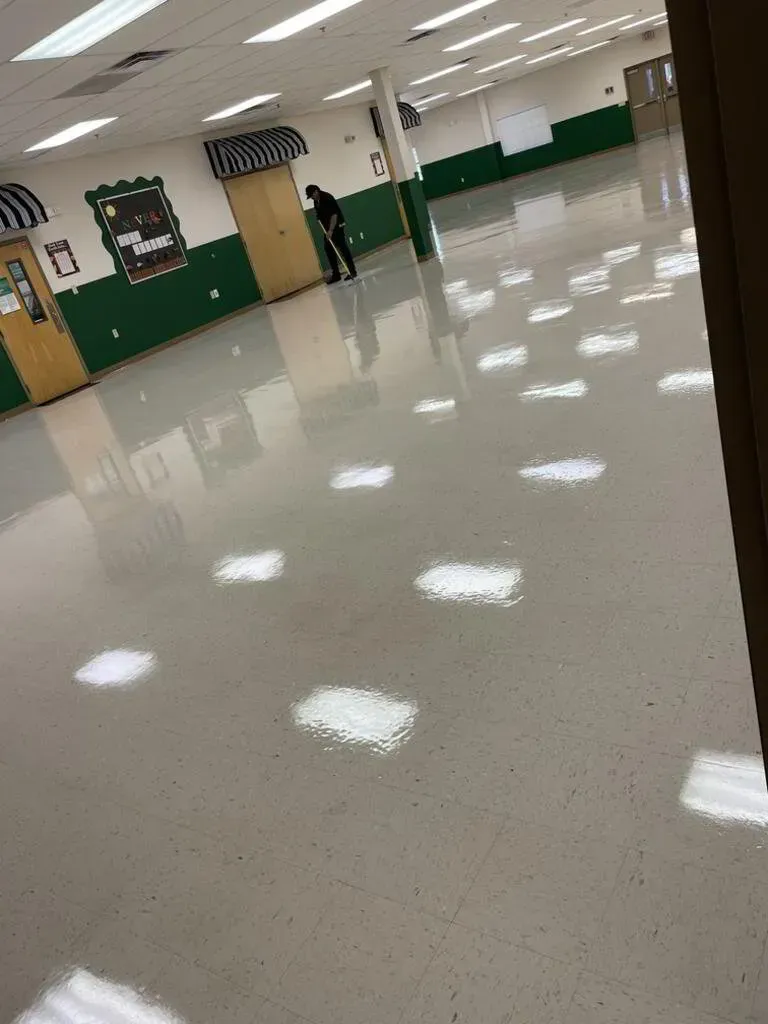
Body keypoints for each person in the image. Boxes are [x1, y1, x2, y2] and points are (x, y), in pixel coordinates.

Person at [305, 184, 357, 283]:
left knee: (342, 248)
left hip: (337, 226)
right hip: (328, 228)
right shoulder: (316, 201)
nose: (311, 198)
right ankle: (336, 274)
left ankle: (352, 271)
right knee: (328, 248)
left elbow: (334, 215)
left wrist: (331, 230)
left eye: (312, 195)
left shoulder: (327, 198)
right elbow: (320, 214)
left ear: (316, 191)